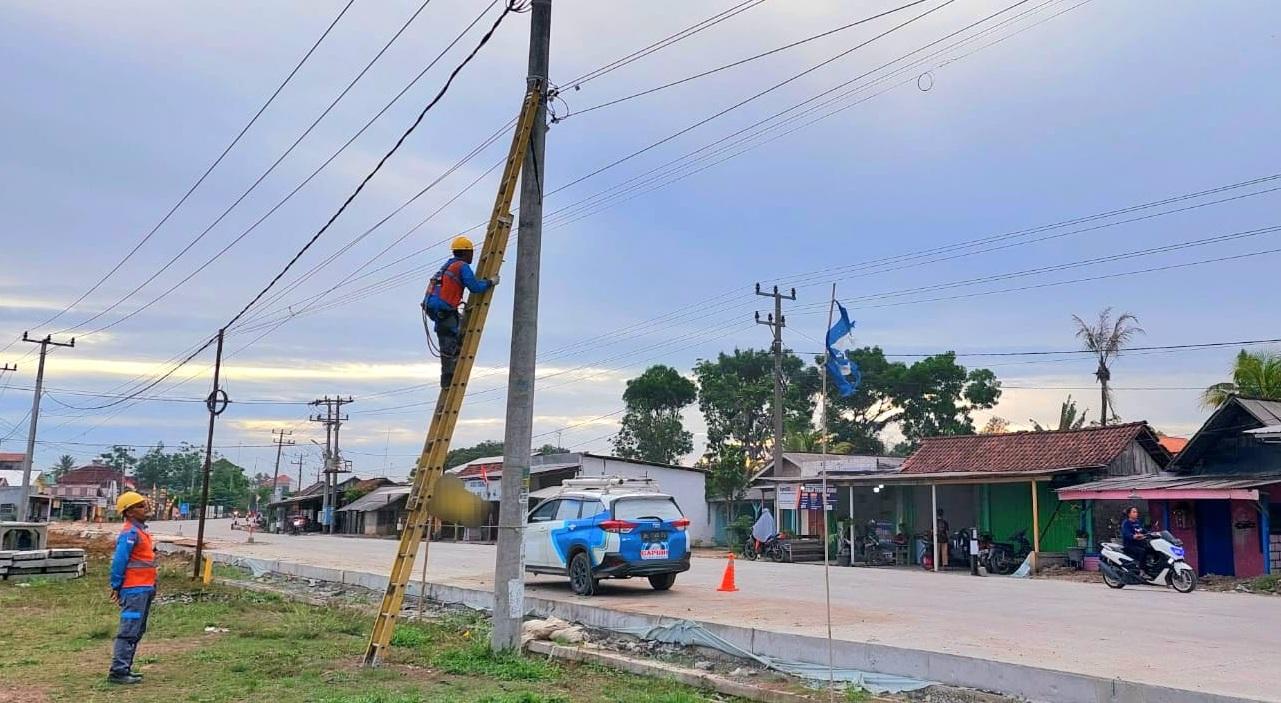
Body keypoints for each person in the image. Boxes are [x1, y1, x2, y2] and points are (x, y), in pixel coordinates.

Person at [422, 236, 498, 387]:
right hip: (444, 310)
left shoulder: (448, 265)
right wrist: (490, 282)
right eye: (471, 252)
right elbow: (475, 287)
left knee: (453, 334)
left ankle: (448, 376)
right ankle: (448, 379)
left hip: (435, 309)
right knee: (450, 342)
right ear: (465, 252)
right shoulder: (461, 266)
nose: (472, 255)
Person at [108, 491, 156, 685]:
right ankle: (118, 671)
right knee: (129, 630)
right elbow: (119, 561)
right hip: (134, 591)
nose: (145, 508)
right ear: (128, 512)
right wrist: (116, 585)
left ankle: (125, 667)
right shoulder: (130, 533)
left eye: (144, 504)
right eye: (140, 506)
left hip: (143, 589)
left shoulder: (141, 531)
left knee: (136, 630)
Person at [1121, 506, 1152, 575]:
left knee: (1151, 549)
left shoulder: (1137, 522)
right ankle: (1142, 570)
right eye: (1134, 512)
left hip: (1139, 543)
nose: (1136, 513)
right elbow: (1126, 533)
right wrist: (1133, 536)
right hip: (1129, 545)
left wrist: (1151, 533)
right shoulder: (1126, 523)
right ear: (1129, 514)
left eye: (1136, 512)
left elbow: (1143, 530)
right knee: (1142, 552)